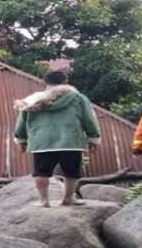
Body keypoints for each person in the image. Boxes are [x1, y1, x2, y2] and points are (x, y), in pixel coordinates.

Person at [13, 70, 101, 207]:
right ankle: (68, 199)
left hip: (42, 142)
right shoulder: (77, 97)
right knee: (71, 171)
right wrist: (93, 138)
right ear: (65, 81)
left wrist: (21, 140)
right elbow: (89, 119)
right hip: (71, 141)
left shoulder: (32, 100)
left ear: (45, 82)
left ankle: (44, 201)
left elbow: (22, 121)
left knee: (41, 172)